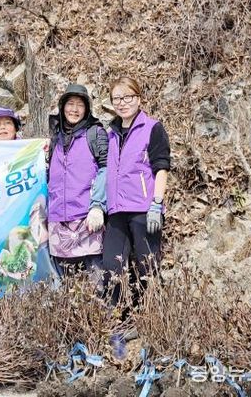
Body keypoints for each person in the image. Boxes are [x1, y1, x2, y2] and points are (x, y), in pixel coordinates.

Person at [103, 77, 171, 308]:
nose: (122, 103)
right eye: (117, 99)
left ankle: (152, 316)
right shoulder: (111, 133)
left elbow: (161, 168)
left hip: (144, 210)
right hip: (116, 211)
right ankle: (117, 318)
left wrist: (156, 204)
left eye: (128, 97)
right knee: (111, 267)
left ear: (139, 99)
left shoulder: (152, 128)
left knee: (147, 267)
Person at [46, 84, 108, 277]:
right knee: (64, 283)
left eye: (80, 105)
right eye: (70, 104)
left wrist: (98, 206)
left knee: (96, 281)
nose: (74, 109)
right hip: (58, 220)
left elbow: (106, 168)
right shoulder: (56, 137)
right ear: (62, 107)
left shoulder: (95, 133)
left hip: (86, 219)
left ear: (87, 109)